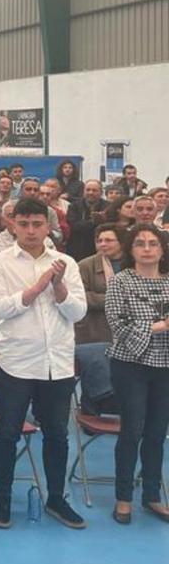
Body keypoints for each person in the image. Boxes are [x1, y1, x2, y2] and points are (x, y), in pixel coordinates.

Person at [0, 198, 88, 530]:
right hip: (16, 361)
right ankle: (2, 500)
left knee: (57, 434)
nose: (31, 231)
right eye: (24, 224)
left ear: (48, 226)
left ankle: (57, 498)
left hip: (56, 362)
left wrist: (57, 288)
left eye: (37, 224)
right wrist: (36, 287)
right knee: (6, 433)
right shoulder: (0, 262)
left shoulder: (66, 262)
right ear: (13, 224)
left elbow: (78, 313)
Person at [103, 224, 169, 524]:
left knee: (157, 433)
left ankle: (153, 495)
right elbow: (118, 325)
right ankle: (124, 497)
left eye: (153, 243)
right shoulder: (120, 282)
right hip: (130, 364)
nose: (147, 248)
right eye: (140, 243)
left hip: (165, 365)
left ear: (162, 249)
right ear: (130, 249)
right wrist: (158, 327)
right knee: (131, 430)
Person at [76, 224, 124, 415]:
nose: (103, 244)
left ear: (121, 243)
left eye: (109, 240)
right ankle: (93, 408)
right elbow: (80, 297)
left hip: (128, 328)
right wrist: (114, 299)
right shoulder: (85, 265)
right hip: (93, 329)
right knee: (95, 360)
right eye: (99, 240)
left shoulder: (134, 264)